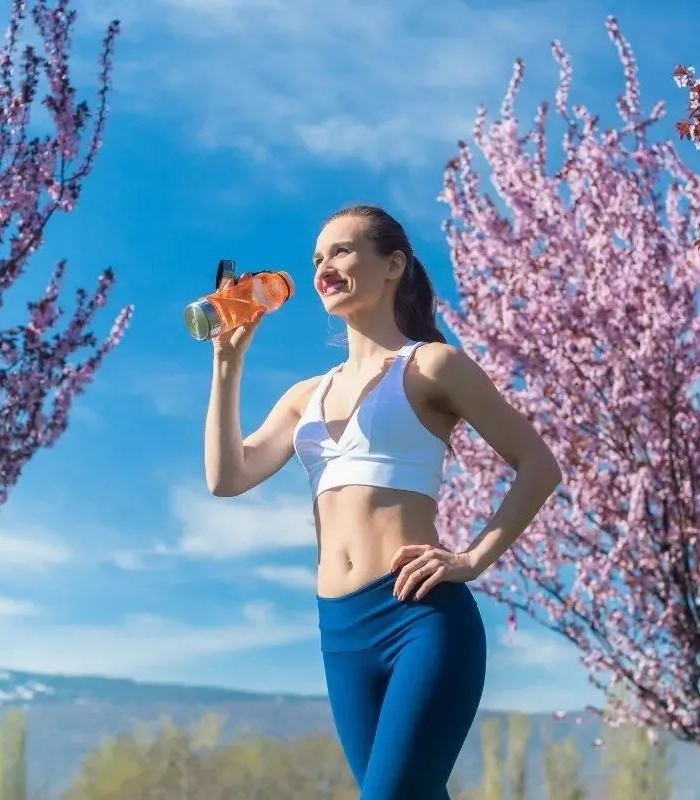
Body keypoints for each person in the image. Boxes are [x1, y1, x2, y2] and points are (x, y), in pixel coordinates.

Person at [203, 204, 563, 800]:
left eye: (342, 251)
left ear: (393, 265)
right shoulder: (304, 396)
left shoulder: (433, 365)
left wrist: (473, 559)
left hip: (418, 617)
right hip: (340, 632)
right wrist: (226, 364)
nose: (324, 267)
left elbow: (539, 466)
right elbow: (227, 477)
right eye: (317, 258)